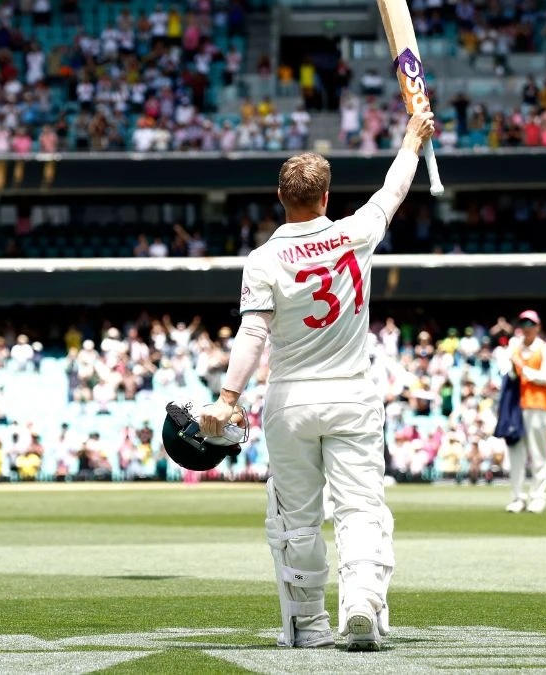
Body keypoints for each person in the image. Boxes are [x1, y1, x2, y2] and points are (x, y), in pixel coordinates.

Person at [199, 108, 436, 651]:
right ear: (327, 198)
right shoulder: (355, 233)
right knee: (360, 507)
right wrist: (411, 139)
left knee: (295, 519)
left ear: (281, 199)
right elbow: (394, 188)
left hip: (289, 400)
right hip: (352, 392)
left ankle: (308, 625)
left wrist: (228, 398)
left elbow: (253, 335)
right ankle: (360, 602)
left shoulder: (262, 259)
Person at [504, 310, 546, 514]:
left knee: (538, 453)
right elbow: (508, 375)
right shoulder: (514, 348)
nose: (527, 328)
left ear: (538, 327)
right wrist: (512, 363)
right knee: (516, 453)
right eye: (523, 324)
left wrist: (523, 368)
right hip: (515, 406)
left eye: (531, 324)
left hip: (537, 405)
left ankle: (538, 496)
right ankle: (518, 497)